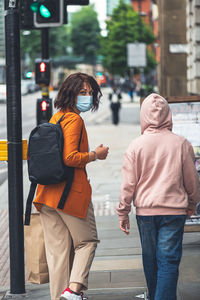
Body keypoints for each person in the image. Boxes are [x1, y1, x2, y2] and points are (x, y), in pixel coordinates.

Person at [116, 93, 200, 300]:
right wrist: (192, 202)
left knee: (151, 260)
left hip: (145, 213)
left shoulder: (136, 145)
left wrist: (123, 212)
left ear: (144, 115)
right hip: (174, 212)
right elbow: (192, 181)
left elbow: (128, 184)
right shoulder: (181, 144)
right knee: (169, 261)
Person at [33, 72, 109, 300]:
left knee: (59, 254)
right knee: (87, 242)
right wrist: (96, 154)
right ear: (70, 93)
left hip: (46, 194)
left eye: (90, 92)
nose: (87, 96)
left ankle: (61, 297)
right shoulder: (74, 119)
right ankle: (74, 290)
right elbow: (70, 158)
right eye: (82, 92)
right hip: (69, 195)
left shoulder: (56, 117)